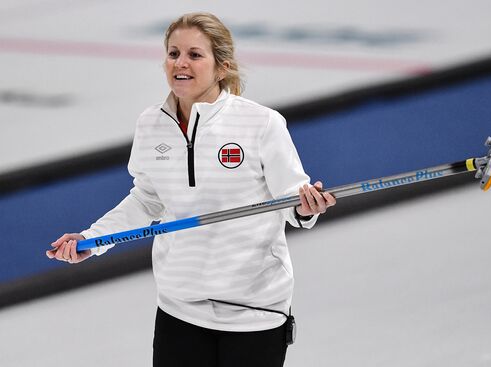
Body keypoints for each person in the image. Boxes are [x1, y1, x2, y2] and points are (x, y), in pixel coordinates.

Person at [46, 12, 336, 367]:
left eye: (194, 55)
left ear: (221, 67)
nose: (180, 63)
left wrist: (305, 207)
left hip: (254, 312)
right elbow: (146, 199)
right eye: (173, 53)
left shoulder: (261, 123)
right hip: (179, 309)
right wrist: (94, 240)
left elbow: (292, 198)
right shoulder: (151, 123)